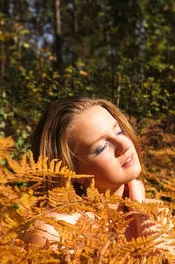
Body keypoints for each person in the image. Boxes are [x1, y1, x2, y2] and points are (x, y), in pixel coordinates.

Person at [23, 97, 162, 246]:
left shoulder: (158, 214)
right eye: (101, 147)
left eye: (120, 131)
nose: (124, 144)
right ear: (71, 172)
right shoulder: (55, 232)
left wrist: (143, 212)